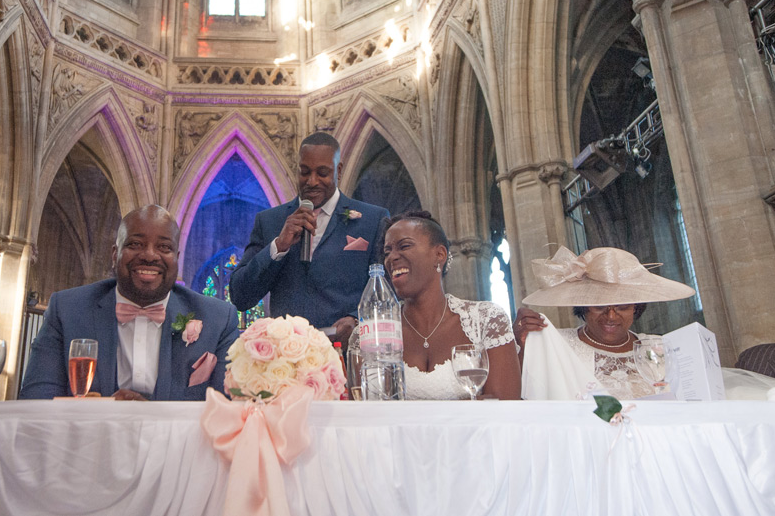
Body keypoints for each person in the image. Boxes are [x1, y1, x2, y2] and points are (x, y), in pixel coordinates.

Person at [20, 205, 240, 401]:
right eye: (135, 244)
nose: (150, 255)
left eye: (164, 247)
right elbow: (36, 399)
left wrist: (150, 419)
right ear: (114, 254)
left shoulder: (218, 319)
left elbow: (227, 411)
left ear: (177, 258)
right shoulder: (68, 310)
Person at [229, 132, 389, 345]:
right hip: (287, 357)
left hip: (346, 354)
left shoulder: (372, 220)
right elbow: (240, 296)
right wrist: (278, 246)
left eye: (322, 173)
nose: (312, 182)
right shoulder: (270, 222)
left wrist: (356, 319)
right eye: (305, 172)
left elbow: (386, 291)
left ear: (338, 171)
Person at [513, 246, 694, 400]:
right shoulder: (556, 345)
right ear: (583, 306)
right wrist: (517, 345)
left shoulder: (659, 348)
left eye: (622, 307)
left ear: (636, 308)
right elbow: (521, 396)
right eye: (599, 307)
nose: (611, 316)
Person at [383, 211, 521, 400]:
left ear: (439, 255)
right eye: (387, 251)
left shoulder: (487, 320)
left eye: (404, 246)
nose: (392, 257)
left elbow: (504, 407)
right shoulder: (374, 332)